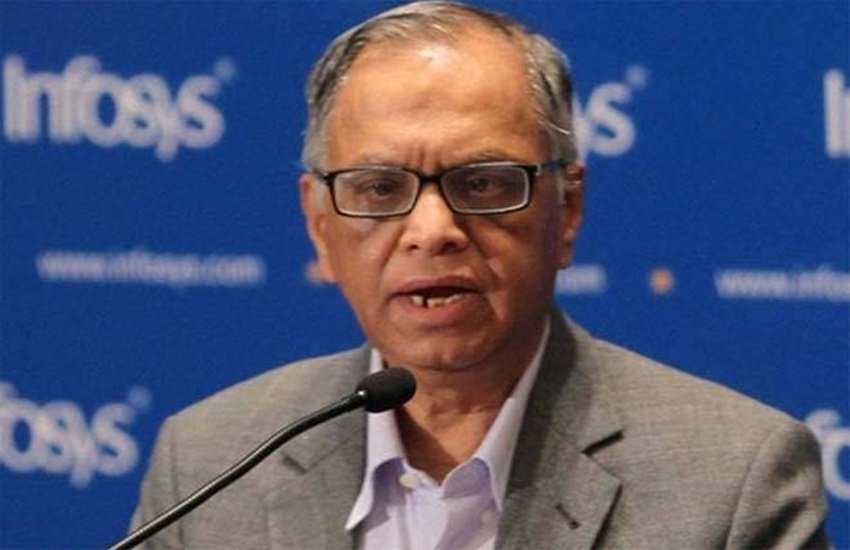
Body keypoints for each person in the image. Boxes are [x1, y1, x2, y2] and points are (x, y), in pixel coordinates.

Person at [131, 2, 828, 548]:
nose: (432, 230)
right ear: (320, 224)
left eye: (485, 183)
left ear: (568, 209)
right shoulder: (208, 463)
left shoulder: (733, 481)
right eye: (380, 188)